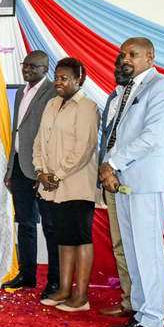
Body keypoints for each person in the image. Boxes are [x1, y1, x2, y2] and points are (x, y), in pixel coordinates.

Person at [102, 38, 164, 327]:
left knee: (148, 251)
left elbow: (151, 138)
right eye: (123, 54)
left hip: (148, 179)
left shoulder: (162, 87)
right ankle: (142, 314)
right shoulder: (125, 89)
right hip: (123, 181)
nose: (125, 59)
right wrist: (109, 167)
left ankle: (155, 321)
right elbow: (115, 135)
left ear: (150, 57)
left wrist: (111, 164)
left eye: (132, 54)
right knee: (133, 251)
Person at [33, 57, 101, 312]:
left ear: (78, 80)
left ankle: (81, 296)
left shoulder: (87, 107)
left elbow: (84, 148)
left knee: (80, 237)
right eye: (56, 78)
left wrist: (57, 175)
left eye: (64, 78)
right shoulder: (52, 103)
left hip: (77, 185)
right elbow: (39, 141)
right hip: (52, 185)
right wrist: (41, 172)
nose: (58, 82)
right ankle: (63, 289)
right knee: (63, 238)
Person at [2, 50, 60, 300]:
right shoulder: (19, 92)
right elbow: (16, 131)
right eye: (24, 65)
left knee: (50, 226)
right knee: (25, 224)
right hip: (18, 167)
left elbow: (55, 134)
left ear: (45, 69)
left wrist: (46, 170)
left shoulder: (54, 92)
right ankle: (27, 275)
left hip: (42, 170)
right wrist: (9, 168)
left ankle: (55, 282)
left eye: (32, 66)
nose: (26, 69)